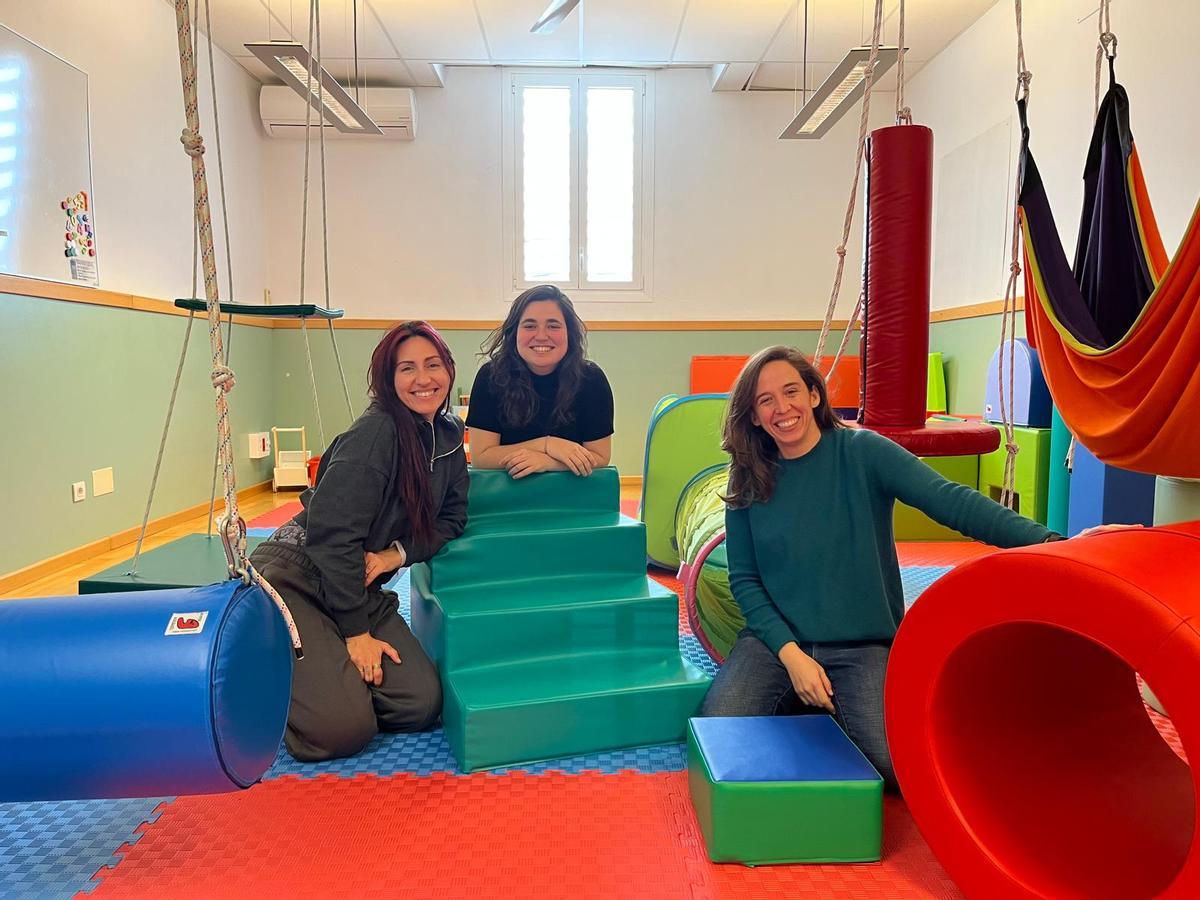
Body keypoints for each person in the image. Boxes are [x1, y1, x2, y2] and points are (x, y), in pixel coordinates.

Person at [699, 345, 1067, 791]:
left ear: (814, 395)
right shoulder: (747, 475)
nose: (782, 408)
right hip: (776, 644)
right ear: (755, 417)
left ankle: (820, 706)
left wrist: (1051, 543)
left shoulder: (863, 452)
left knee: (900, 768)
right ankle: (808, 699)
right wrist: (791, 655)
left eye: (791, 391)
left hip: (860, 644)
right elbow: (745, 580)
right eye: (765, 400)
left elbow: (950, 500)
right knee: (718, 736)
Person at [250, 321, 468, 762]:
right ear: (388, 378)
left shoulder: (448, 436)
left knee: (420, 704)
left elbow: (452, 518)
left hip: (359, 578)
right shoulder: (376, 434)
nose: (423, 379)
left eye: (433, 364)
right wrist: (356, 632)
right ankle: (272, 658)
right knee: (338, 732)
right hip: (298, 575)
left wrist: (395, 555)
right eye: (407, 368)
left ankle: (325, 670)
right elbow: (331, 537)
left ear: (449, 369)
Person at [467, 284, 613, 479]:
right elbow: (481, 457)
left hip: (571, 492)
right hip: (509, 493)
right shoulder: (490, 376)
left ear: (569, 333)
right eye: (530, 326)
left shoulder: (591, 379)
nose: (541, 336)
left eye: (553, 326)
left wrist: (548, 462)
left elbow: (600, 456)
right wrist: (547, 444)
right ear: (514, 332)